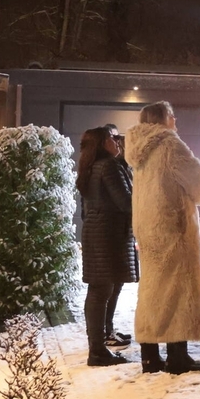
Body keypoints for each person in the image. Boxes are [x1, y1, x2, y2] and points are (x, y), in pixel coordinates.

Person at [125, 101, 200, 374]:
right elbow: (198, 179)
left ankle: (150, 357)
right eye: (173, 116)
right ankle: (177, 357)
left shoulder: (137, 148)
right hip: (173, 226)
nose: (176, 121)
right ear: (164, 118)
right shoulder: (170, 145)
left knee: (151, 290)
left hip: (148, 228)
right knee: (178, 290)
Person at [76, 127, 138, 367]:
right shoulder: (108, 166)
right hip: (108, 236)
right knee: (101, 291)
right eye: (112, 137)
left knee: (101, 290)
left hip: (98, 233)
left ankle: (99, 346)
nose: (117, 141)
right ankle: (98, 351)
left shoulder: (92, 167)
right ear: (102, 143)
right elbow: (125, 202)